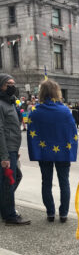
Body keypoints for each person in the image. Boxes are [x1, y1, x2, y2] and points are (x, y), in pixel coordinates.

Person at [27, 79, 78, 222]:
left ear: (42, 92)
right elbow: (72, 133)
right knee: (64, 182)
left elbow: (31, 132)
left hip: (44, 153)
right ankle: (63, 214)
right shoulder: (65, 111)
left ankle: (50, 212)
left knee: (46, 182)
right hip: (63, 151)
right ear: (57, 92)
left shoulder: (35, 111)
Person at [0, 73, 31, 225]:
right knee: (10, 181)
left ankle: (5, 208)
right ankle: (10, 215)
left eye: (13, 83)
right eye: (8, 84)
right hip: (6, 151)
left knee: (11, 179)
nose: (12, 87)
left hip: (11, 149)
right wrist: (4, 156)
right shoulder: (1, 104)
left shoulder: (10, 102)